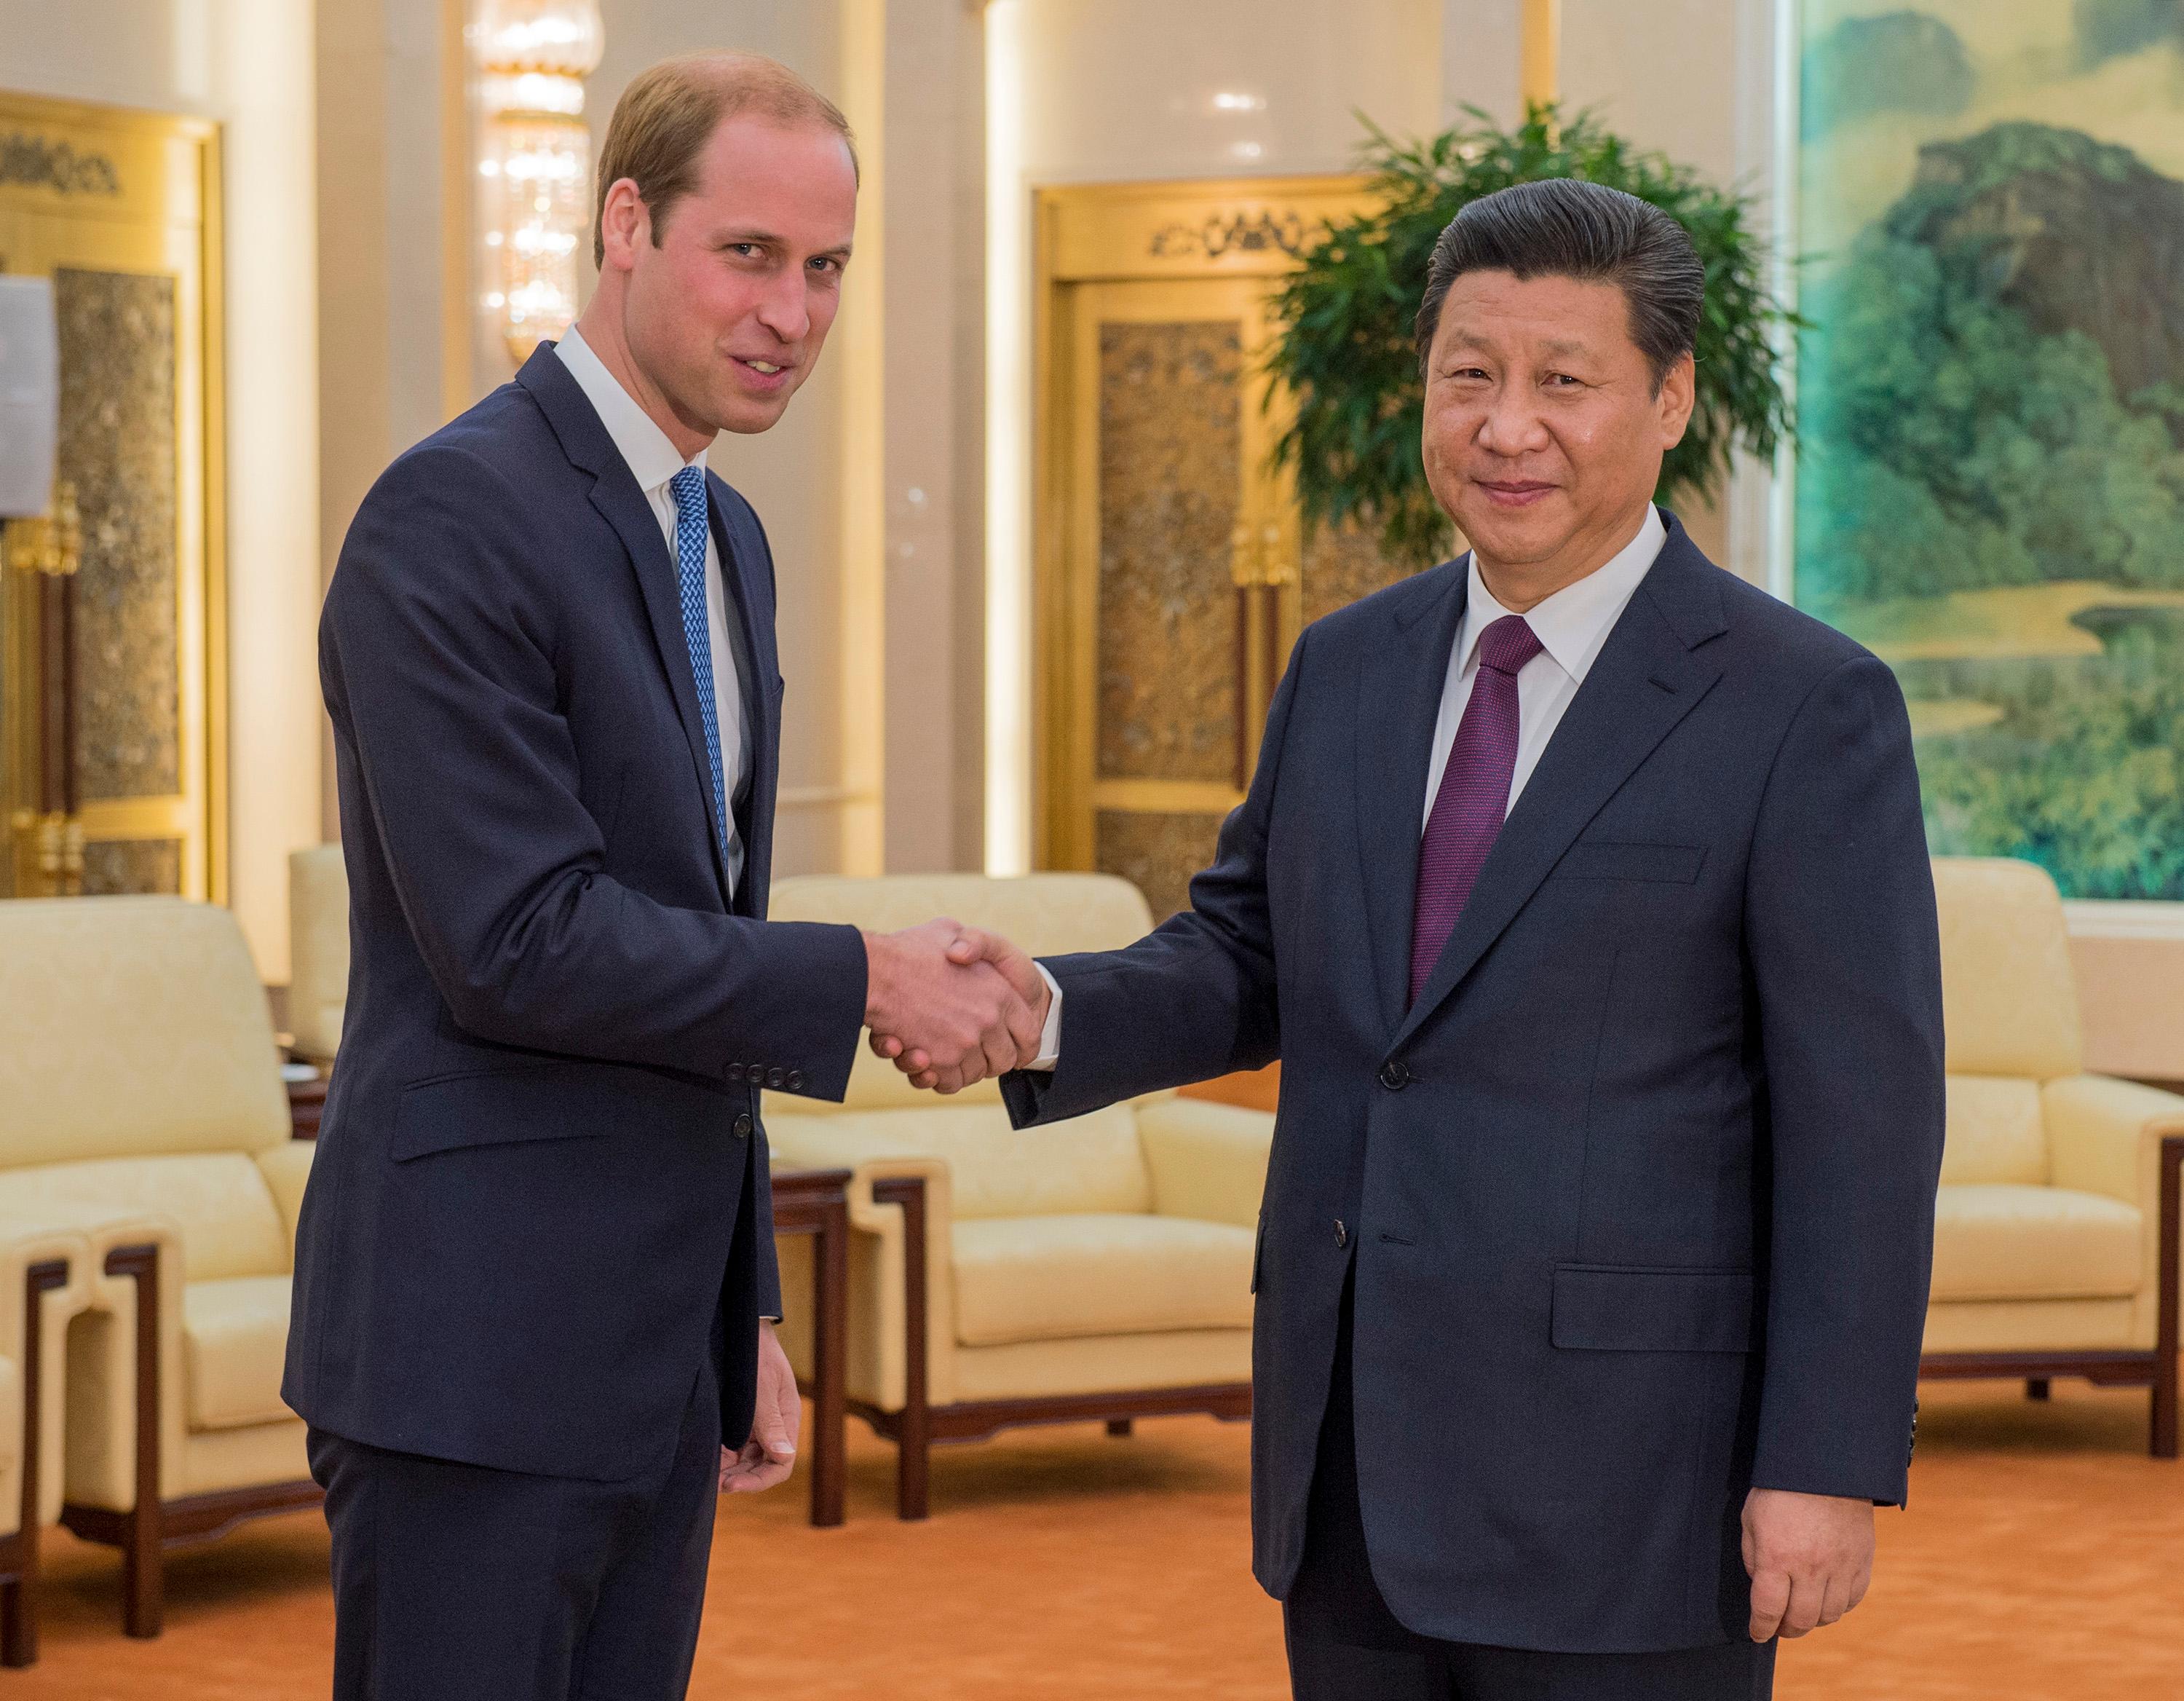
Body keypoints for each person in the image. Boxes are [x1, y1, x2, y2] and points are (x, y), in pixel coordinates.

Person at [891, 179, 1947, 1700]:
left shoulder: (1801, 705)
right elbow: (1251, 956)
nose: (1508, 425)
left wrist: (1827, 1462)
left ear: (1670, 400)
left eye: (1564, 382)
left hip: (1636, 1503)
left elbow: (1864, 1122)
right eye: (1472, 375)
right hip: (1353, 1483)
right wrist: (1044, 1005)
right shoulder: (1349, 666)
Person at [286, 51, 1042, 1701]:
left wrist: (739, 1313)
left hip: (647, 1358)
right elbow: (518, 940)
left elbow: (696, 945)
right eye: (750, 254)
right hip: (469, 1361)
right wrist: (860, 977)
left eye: (826, 266)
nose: (793, 311)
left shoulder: (729, 537)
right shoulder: (449, 515)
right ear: (625, 223)